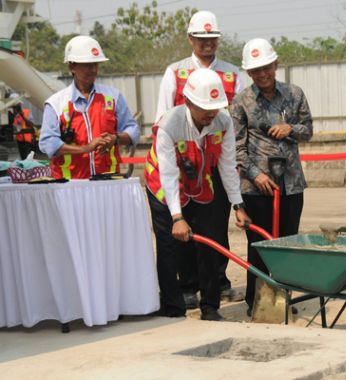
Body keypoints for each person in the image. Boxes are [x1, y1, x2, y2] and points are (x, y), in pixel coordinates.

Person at [145, 68, 251, 320]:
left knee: (210, 242)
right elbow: (169, 175)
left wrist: (238, 205)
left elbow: (226, 166)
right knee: (170, 246)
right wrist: (177, 217)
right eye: (205, 108)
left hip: (200, 185)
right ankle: (174, 307)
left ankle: (210, 306)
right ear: (188, 102)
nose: (210, 114)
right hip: (163, 186)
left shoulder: (223, 122)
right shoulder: (169, 124)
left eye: (215, 107)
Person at [155, 10, 244, 308]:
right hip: (177, 165)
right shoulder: (175, 73)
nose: (207, 43)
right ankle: (187, 286)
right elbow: (162, 124)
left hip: (213, 160)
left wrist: (238, 203)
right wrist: (177, 215)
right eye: (201, 38)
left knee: (213, 227)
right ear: (191, 39)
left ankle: (215, 284)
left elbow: (233, 134)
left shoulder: (231, 76)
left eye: (212, 38)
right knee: (182, 228)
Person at [231, 38, 313, 316]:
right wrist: (255, 175)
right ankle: (256, 302)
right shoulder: (241, 101)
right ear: (249, 73)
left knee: (287, 245)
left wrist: (290, 128)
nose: (262, 74)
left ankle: (283, 300)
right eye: (256, 71)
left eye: (266, 67)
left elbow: (308, 130)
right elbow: (236, 147)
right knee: (260, 247)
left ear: (275, 65)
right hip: (257, 189)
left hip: (291, 184)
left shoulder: (295, 94)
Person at [39, 36, 139, 178]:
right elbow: (48, 143)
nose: (93, 69)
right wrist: (85, 149)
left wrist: (115, 139)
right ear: (71, 66)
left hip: (108, 181)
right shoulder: (56, 103)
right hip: (69, 186)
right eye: (87, 65)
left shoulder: (113, 97)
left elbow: (133, 131)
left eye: (96, 64)